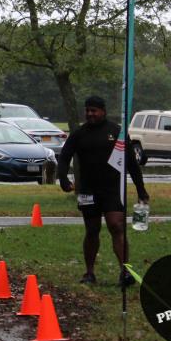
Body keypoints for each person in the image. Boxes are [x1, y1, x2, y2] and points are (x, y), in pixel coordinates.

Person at [57, 96, 150, 286]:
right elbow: (64, 157)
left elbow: (132, 164)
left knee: (116, 226)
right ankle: (89, 273)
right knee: (92, 230)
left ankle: (125, 271)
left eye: (94, 110)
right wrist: (63, 179)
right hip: (88, 190)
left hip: (112, 189)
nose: (90, 114)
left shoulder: (116, 132)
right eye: (87, 110)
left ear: (103, 111)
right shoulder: (79, 134)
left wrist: (141, 190)